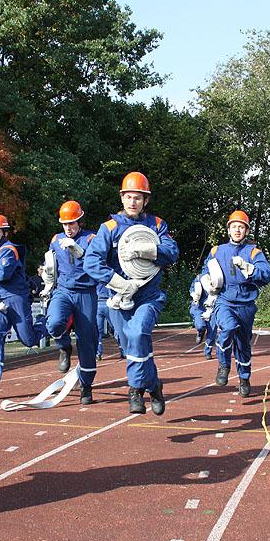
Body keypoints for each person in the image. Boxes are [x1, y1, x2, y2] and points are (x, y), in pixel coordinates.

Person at [84, 171, 179, 415]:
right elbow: (92, 261)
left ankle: (135, 390)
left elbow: (172, 251)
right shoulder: (110, 227)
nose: (132, 202)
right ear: (122, 198)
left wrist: (149, 249)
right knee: (132, 348)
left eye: (138, 197)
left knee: (138, 334)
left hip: (148, 296)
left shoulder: (157, 225)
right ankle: (154, 385)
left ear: (145, 200)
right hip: (119, 297)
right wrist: (116, 281)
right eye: (128, 197)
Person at [0, 215, 47, 397]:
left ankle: (52, 322)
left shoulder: (8, 250)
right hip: (0, 302)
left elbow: (2, 274)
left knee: (28, 340)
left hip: (16, 299)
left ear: (4, 232)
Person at [203, 211, 270, 397]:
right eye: (234, 226)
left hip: (246, 304)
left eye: (241, 227)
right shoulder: (217, 250)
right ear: (228, 229)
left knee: (243, 344)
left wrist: (250, 269)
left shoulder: (254, 252)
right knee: (227, 327)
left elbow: (267, 274)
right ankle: (223, 365)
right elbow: (205, 269)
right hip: (225, 300)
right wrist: (206, 280)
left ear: (247, 230)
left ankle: (244, 378)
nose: (237, 230)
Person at [42, 201, 99, 405]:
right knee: (54, 322)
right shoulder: (56, 240)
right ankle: (64, 346)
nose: (68, 228)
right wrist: (47, 282)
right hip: (63, 290)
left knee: (87, 341)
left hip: (86, 291)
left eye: (72, 223)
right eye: (65, 224)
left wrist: (80, 252)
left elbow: (97, 264)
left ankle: (86, 386)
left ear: (80, 222)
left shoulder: (91, 238)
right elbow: (51, 265)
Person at [189, 274, 216, 359]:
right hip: (199, 307)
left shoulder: (219, 277)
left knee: (212, 330)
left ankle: (207, 351)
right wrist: (194, 296)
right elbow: (192, 290)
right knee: (201, 326)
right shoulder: (199, 278)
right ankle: (200, 332)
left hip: (212, 307)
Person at [96, 282, 123, 361]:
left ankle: (98, 353)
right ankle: (123, 350)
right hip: (110, 302)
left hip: (98, 303)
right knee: (116, 328)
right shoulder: (110, 273)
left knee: (98, 331)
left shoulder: (95, 273)